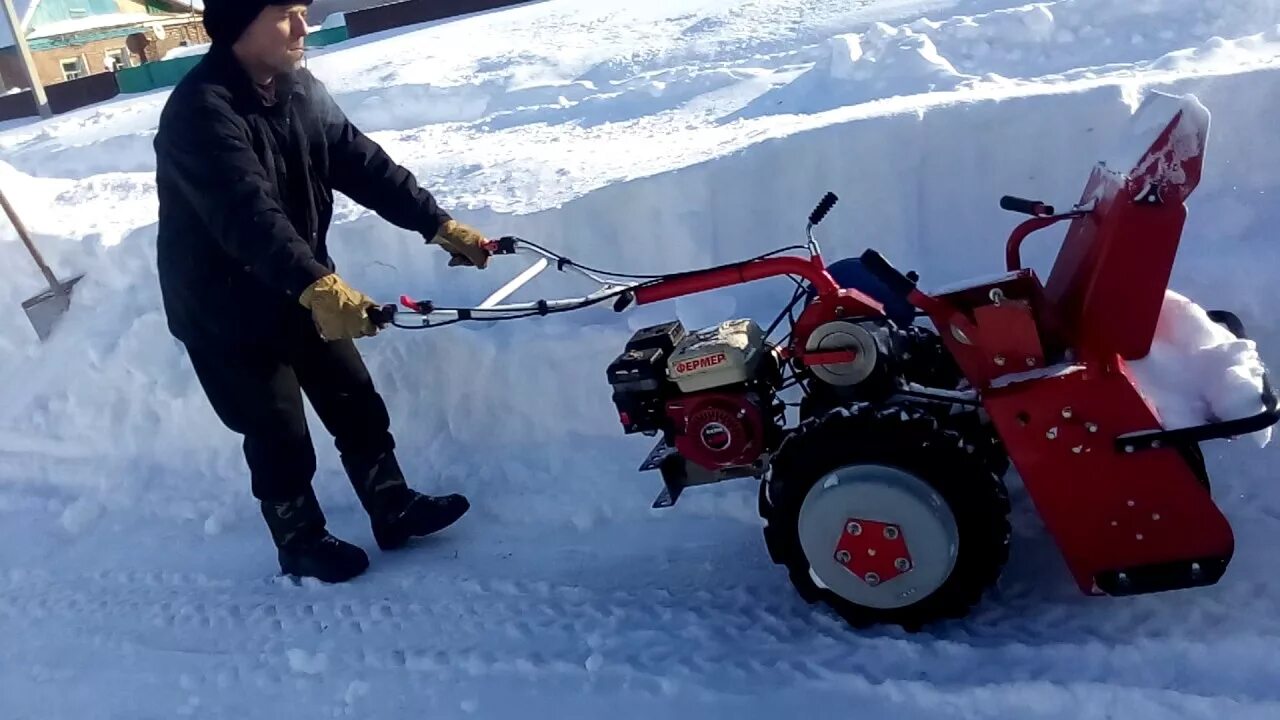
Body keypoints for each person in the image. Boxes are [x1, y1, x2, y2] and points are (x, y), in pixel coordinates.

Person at [152, 0, 492, 583]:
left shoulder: (297, 88)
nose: (303, 27)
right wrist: (318, 284)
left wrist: (435, 223)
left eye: (304, 11)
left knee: (353, 399)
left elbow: (360, 161)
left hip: (298, 283)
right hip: (224, 309)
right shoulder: (199, 113)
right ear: (240, 24)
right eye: (286, 13)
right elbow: (247, 214)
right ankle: (300, 540)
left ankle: (391, 503)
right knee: (276, 427)